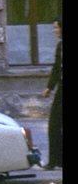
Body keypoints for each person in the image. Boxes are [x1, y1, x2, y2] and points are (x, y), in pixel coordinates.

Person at [42, 17, 62, 170]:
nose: (55, 31)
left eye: (56, 27)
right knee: (54, 124)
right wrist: (49, 87)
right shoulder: (60, 46)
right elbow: (56, 68)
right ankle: (55, 160)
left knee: (55, 124)